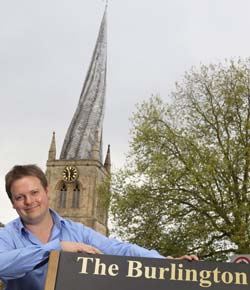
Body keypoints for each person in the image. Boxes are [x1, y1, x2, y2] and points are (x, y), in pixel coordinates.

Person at [0, 164, 198, 290]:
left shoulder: (79, 232)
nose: (29, 201)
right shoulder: (7, 236)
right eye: (20, 197)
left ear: (47, 191)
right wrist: (57, 248)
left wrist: (166, 264)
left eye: (34, 192)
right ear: (13, 203)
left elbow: (120, 250)